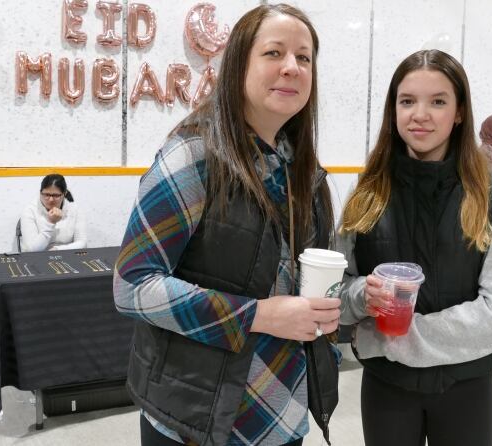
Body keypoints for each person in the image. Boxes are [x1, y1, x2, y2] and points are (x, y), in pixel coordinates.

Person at [113, 4, 340, 446]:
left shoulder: (305, 172)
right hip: (195, 421)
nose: (292, 67)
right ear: (237, 64)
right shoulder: (193, 156)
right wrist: (254, 315)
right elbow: (132, 285)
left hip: (282, 416)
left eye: (304, 57)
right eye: (274, 53)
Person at [337, 50, 492, 446]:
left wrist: (390, 340)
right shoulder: (367, 194)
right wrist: (361, 297)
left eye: (438, 101)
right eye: (407, 101)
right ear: (393, 110)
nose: (420, 114)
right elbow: (339, 290)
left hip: (466, 386)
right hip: (387, 387)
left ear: (459, 112)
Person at [19, 173, 86, 252]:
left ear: (64, 194)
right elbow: (32, 250)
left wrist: (57, 249)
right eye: (46, 194)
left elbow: (82, 243)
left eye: (55, 195)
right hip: (36, 258)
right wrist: (50, 223)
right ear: (40, 193)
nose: (51, 199)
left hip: (67, 255)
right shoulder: (29, 211)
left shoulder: (75, 210)